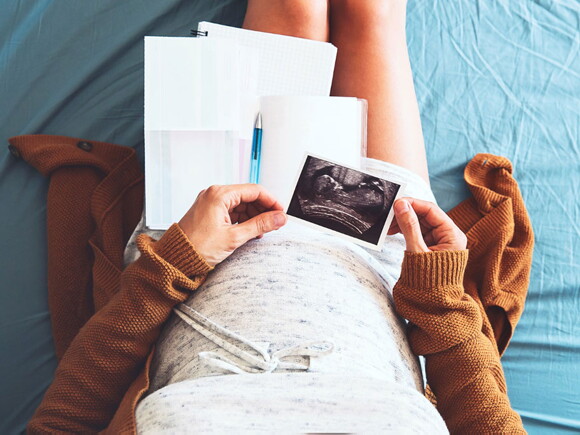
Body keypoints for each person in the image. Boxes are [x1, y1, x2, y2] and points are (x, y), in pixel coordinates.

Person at [28, 1, 526, 433]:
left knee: (295, 10)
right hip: (385, 259)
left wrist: (168, 268)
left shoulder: (179, 256)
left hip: (198, 243)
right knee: (371, 15)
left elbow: (63, 423)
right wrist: (440, 303)